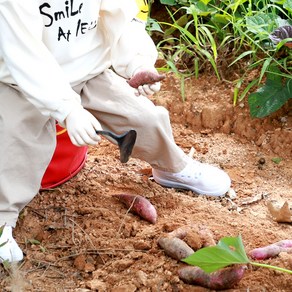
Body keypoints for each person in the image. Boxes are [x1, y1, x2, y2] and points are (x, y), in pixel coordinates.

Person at [0, 0, 231, 263]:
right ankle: (2, 219)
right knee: (16, 141)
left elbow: (121, 20)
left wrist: (138, 64)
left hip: (87, 72)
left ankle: (171, 168)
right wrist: (68, 110)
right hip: (21, 83)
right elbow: (24, 54)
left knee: (145, 118)